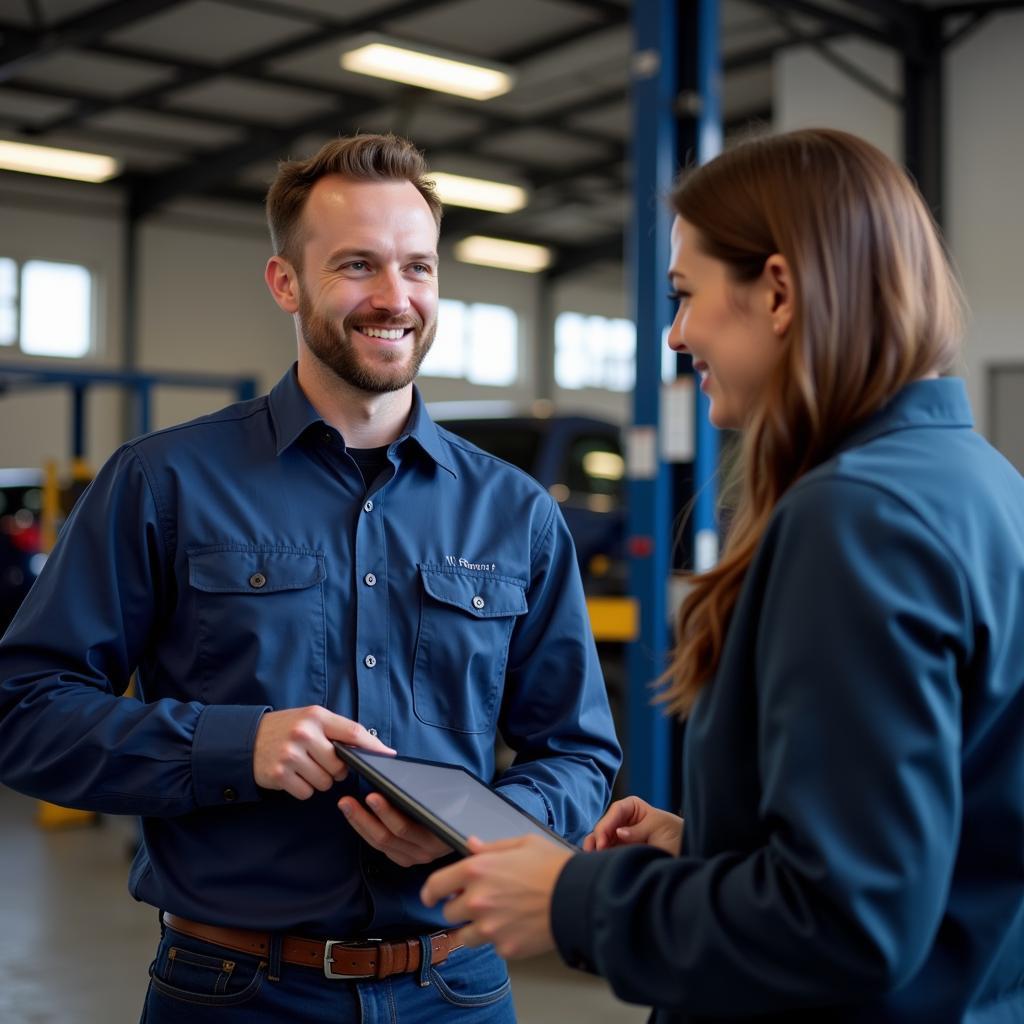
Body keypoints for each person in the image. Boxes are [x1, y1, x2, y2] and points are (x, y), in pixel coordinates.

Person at [0, 133, 620, 1023]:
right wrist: (228, 746)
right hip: (234, 990)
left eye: (418, 266)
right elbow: (23, 709)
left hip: (458, 987)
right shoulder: (164, 483)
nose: (395, 298)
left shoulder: (516, 513)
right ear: (285, 283)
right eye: (358, 265)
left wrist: (481, 820)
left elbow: (579, 752)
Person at [421, 128, 1024, 1022]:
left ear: (777, 291)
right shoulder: (982, 481)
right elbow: (932, 841)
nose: (676, 333)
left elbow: (847, 925)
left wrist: (571, 898)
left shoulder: (855, 518)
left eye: (686, 294)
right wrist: (708, 844)